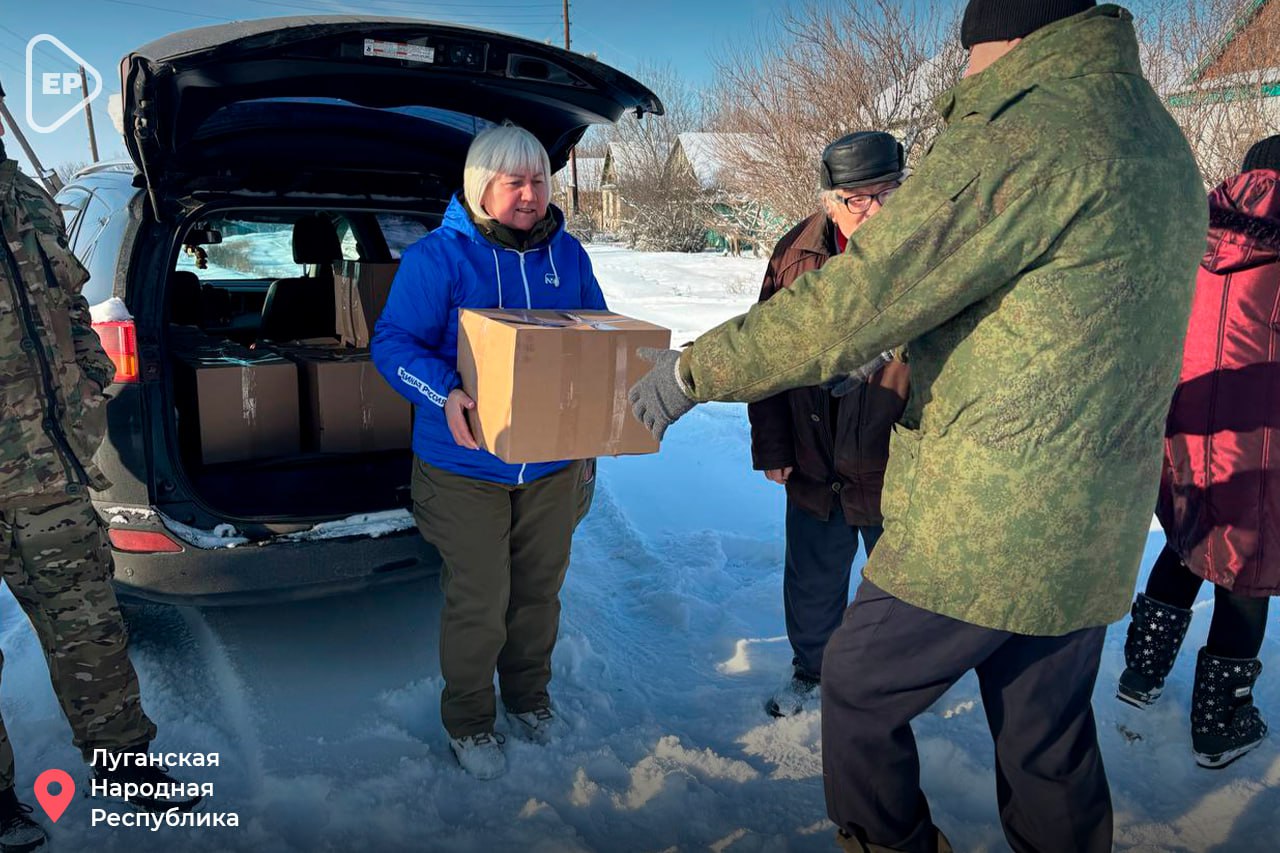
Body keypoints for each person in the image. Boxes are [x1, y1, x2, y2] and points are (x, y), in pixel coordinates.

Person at [629, 3, 1206, 851]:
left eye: (969, 54)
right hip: (1096, 516)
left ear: (1005, 42)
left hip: (994, 511)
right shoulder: (1150, 132)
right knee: (1046, 738)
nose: (964, 76)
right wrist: (919, 343)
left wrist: (693, 372)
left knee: (857, 684)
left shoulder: (1027, 132)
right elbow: (1059, 312)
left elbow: (860, 293)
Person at [371, 123, 605, 781]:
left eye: (538, 181)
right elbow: (392, 345)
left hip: (551, 465)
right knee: (481, 596)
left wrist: (598, 419)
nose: (530, 195)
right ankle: (471, 720)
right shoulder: (439, 259)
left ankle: (529, 699)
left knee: (538, 593)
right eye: (514, 183)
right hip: (463, 465)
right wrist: (444, 391)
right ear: (481, 188)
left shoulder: (570, 258)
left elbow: (598, 341)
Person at [0, 112, 199, 853]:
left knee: (89, 630)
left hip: (49, 470)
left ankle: (125, 767)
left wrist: (85, 387)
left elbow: (71, 307)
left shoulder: (24, 195)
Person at [1117, 135, 1280, 769]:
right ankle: (1220, 722)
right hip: (1263, 441)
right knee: (1250, 568)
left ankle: (1141, 671)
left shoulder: (1188, 235)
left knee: (1191, 540)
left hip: (1186, 430)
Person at [749, 131, 910, 717]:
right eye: (857, 199)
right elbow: (762, 351)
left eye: (888, 193)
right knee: (814, 578)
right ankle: (811, 672)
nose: (874, 211)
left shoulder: (928, 250)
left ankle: (893, 685)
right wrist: (772, 444)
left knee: (900, 586)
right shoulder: (796, 254)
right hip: (814, 449)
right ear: (829, 199)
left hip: (894, 456)